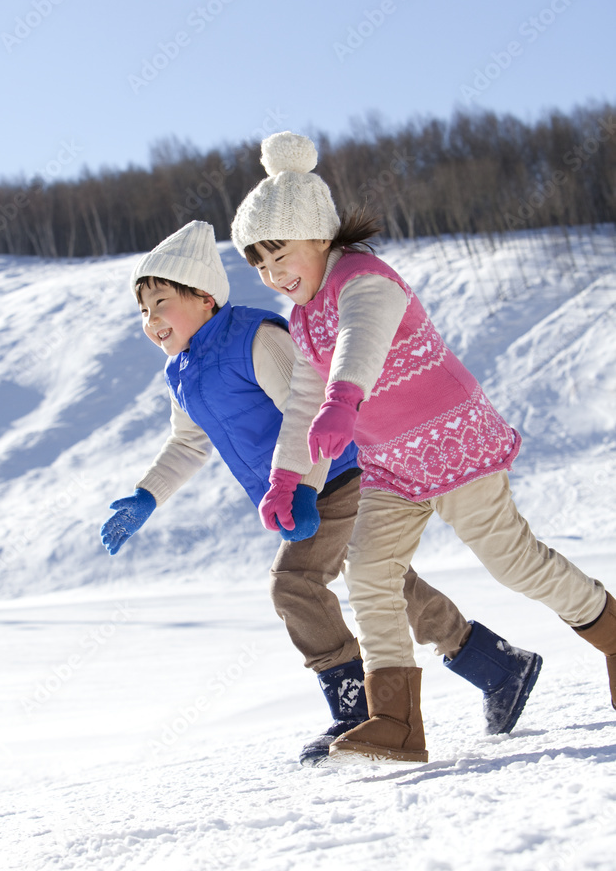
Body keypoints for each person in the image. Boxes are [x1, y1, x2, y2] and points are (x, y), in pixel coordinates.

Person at [230, 130, 616, 767]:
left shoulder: (364, 280)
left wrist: (343, 401)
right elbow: (302, 400)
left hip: (452, 445)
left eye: (281, 255)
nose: (274, 275)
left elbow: (362, 342)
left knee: (514, 562)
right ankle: (397, 723)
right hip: (392, 467)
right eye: (260, 265)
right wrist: (289, 477)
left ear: (320, 237)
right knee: (372, 575)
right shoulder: (302, 319)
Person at [100, 219, 543, 766]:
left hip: (339, 474)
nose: (151, 320)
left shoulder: (255, 339)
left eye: (161, 302)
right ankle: (496, 664)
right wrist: (146, 497)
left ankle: (355, 705)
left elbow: (304, 410)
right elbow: (188, 445)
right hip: (304, 490)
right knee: (385, 582)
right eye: (143, 311)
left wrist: (303, 486)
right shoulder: (182, 372)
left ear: (205, 296)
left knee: (294, 583)